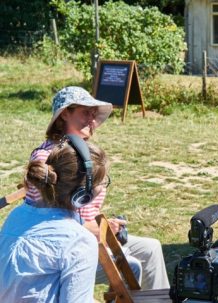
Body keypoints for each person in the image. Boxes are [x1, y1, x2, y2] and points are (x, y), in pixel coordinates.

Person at [25, 86, 170, 289]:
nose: (92, 120)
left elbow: (84, 209)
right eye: (85, 112)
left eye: (94, 115)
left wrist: (106, 225)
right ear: (65, 114)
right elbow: (47, 219)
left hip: (91, 236)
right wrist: (96, 228)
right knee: (131, 266)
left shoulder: (84, 154)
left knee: (151, 248)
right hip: (63, 247)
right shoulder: (46, 158)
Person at [0, 137, 108, 302]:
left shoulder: (17, 215)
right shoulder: (80, 241)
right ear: (82, 196)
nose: (101, 189)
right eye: (101, 183)